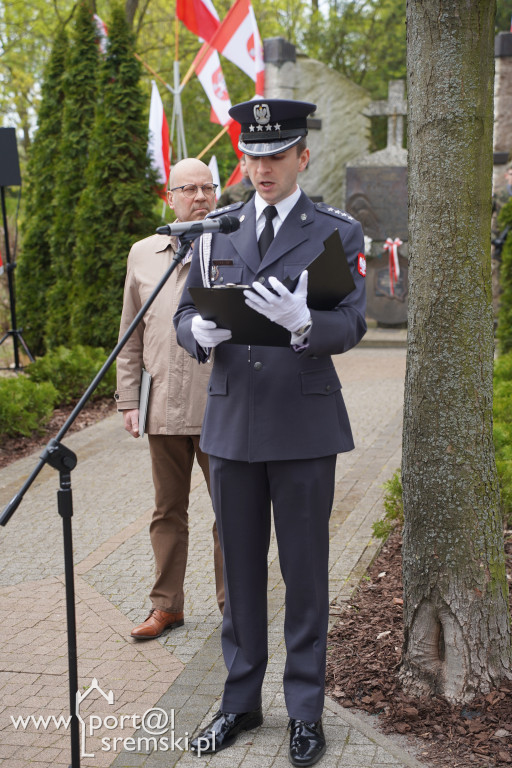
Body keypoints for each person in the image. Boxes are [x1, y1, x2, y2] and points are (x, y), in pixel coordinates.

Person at [174, 99, 366, 766]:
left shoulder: (334, 232)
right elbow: (181, 315)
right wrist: (194, 334)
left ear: (301, 157)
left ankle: (305, 711)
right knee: (241, 576)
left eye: (275, 156)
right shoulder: (216, 230)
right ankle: (239, 701)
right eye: (252, 156)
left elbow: (354, 321)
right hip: (230, 426)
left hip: (305, 425)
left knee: (307, 575)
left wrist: (306, 324)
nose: (261, 167)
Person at [115, 157, 224, 641]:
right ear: (169, 196)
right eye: (189, 189)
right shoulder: (142, 253)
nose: (200, 197)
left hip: (222, 403)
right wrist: (127, 399)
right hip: (162, 406)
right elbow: (130, 334)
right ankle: (167, 607)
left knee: (232, 511)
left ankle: (236, 609)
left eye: (207, 188)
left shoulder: (233, 246)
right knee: (167, 511)